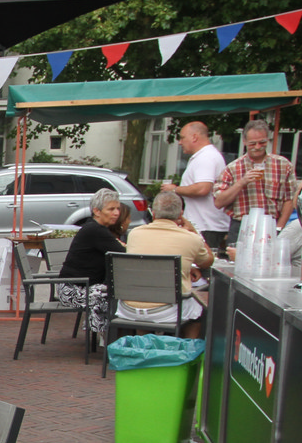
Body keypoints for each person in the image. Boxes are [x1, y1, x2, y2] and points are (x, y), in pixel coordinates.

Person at [117, 190, 213, 339]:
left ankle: (144, 345)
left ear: (153, 213)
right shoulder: (191, 238)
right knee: (198, 308)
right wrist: (194, 231)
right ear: (180, 214)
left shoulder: (135, 234)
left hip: (128, 307)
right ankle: (187, 348)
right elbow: (208, 262)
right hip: (166, 310)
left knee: (145, 293)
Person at [56, 188, 127, 339]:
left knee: (114, 293)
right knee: (112, 296)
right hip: (72, 289)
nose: (116, 213)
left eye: (118, 209)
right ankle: (108, 338)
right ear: (97, 211)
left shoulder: (94, 228)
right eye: (111, 209)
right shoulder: (96, 230)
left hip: (79, 285)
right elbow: (123, 253)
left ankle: (108, 336)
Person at [213, 120, 297, 240]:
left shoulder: (283, 165)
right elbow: (218, 202)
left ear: (268, 139)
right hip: (241, 225)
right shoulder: (233, 168)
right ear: (244, 141)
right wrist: (242, 182)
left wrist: (279, 228)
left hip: (271, 224)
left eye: (262, 142)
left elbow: (289, 200)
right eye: (252, 143)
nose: (257, 147)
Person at [161, 121, 230, 250]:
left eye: (182, 138)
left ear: (194, 137)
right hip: (205, 224)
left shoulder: (206, 157)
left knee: (201, 261)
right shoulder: (205, 155)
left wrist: (175, 189)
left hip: (206, 225)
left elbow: (203, 188)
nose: (180, 142)